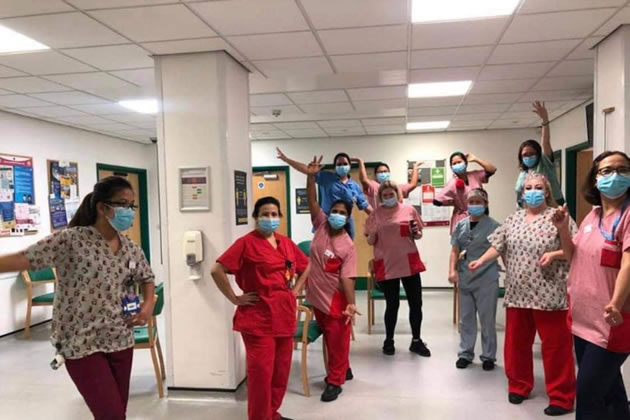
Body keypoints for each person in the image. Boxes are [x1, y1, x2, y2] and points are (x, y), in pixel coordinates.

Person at [0, 176, 156, 420]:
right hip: (81, 342)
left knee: (116, 412)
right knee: (111, 415)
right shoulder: (71, 240)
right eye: (123, 205)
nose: (129, 212)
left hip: (120, 339)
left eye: (132, 206)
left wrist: (147, 306)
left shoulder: (130, 247)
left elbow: (146, 278)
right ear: (102, 208)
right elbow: (24, 258)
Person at [469, 173, 576, 417]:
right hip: (518, 292)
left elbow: (573, 248)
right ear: (522, 192)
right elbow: (498, 246)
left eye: (539, 187)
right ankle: (519, 385)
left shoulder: (558, 217)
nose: (533, 191)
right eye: (528, 187)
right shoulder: (513, 219)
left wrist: (555, 254)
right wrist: (480, 261)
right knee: (516, 344)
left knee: (556, 346)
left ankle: (561, 395)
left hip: (550, 292)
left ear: (547, 192)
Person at [211, 196, 309, 420]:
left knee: (280, 371)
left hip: (284, 315)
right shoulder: (246, 243)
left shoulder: (285, 243)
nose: (270, 218)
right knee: (261, 375)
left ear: (280, 217)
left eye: (274, 214)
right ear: (256, 218)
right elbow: (216, 270)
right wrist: (235, 298)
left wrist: (295, 291)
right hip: (258, 318)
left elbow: (306, 266)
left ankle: (272, 413)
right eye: (265, 214)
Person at [553, 151, 630, 420]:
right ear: (595, 180)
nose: (616, 176)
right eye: (607, 171)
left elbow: (629, 263)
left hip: (612, 321)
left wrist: (616, 303)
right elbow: (574, 257)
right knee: (609, 390)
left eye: (623, 169)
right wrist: (563, 229)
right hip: (583, 318)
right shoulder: (592, 216)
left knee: (587, 393)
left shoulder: (628, 215)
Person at [292, 156, 359, 403]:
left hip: (335, 301)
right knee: (333, 340)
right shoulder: (320, 224)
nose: (337, 215)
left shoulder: (348, 246)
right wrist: (311, 177)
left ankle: (335, 382)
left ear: (348, 217)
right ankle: (344, 369)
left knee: (337, 342)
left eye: (342, 213)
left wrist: (350, 304)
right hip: (316, 296)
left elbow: (348, 278)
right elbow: (311, 201)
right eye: (335, 211)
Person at [365, 180, 429, 357]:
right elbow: (370, 241)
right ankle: (389, 340)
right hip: (386, 263)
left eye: (391, 194)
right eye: (384, 195)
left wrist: (416, 232)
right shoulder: (375, 215)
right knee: (392, 304)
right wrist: (374, 231)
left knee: (416, 303)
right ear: (380, 197)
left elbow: (419, 234)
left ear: (397, 194)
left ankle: (416, 341)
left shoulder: (409, 210)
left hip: (409, 261)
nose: (388, 197)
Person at [448, 188, 500, 371]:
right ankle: (465, 353)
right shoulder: (461, 225)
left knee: (487, 319)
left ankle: (488, 356)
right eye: (472, 202)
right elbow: (454, 249)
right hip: (466, 277)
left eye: (479, 202)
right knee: (466, 318)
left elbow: (499, 249)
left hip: (487, 277)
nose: (475, 205)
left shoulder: (494, 226)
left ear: (485, 205)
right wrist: (452, 270)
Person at [276, 148, 372, 238]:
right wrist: (287, 160)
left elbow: (366, 207)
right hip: (325, 220)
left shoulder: (354, 186)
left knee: (345, 249)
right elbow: (306, 170)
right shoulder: (326, 177)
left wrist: (383, 216)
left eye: (345, 163)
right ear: (335, 167)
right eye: (339, 164)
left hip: (345, 223)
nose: (342, 166)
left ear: (349, 166)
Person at [433, 151, 496, 234]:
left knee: (482, 242)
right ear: (451, 167)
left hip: (480, 215)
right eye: (454, 164)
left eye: (459, 162)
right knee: (463, 243)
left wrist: (475, 159)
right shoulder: (452, 183)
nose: (457, 165)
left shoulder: (475, 175)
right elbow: (437, 201)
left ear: (465, 163)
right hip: (462, 220)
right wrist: (455, 203)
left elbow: (492, 169)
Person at [515, 101, 564, 207]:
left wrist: (545, 120)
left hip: (551, 205)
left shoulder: (545, 163)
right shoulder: (523, 173)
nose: (528, 157)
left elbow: (545, 142)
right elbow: (519, 198)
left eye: (531, 153)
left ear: (538, 154)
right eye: (525, 155)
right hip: (528, 209)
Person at [353, 157, 422, 209]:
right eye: (380, 172)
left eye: (385, 171)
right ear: (375, 175)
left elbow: (413, 184)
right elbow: (363, 179)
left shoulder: (396, 187)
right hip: (379, 220)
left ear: (389, 173)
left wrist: (415, 167)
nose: (383, 173)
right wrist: (360, 162)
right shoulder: (374, 186)